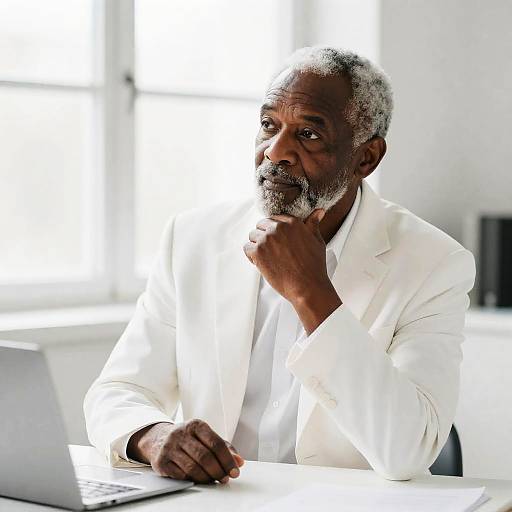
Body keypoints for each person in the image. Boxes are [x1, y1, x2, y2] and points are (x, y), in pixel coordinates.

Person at [84, 46, 475, 485]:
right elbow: (117, 391)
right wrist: (152, 436)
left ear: (366, 158)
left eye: (309, 134)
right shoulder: (193, 238)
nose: (275, 151)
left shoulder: (435, 264)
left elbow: (407, 450)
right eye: (269, 125)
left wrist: (311, 292)